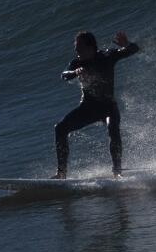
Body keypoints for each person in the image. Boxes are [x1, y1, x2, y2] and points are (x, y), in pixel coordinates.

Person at [56, 30, 139, 178]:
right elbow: (64, 75)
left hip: (108, 107)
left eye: (79, 46)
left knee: (113, 129)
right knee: (60, 128)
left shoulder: (106, 56)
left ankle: (117, 172)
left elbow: (133, 50)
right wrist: (75, 72)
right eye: (76, 47)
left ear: (90, 47)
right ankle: (61, 174)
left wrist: (126, 44)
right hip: (88, 108)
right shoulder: (76, 63)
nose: (76, 50)